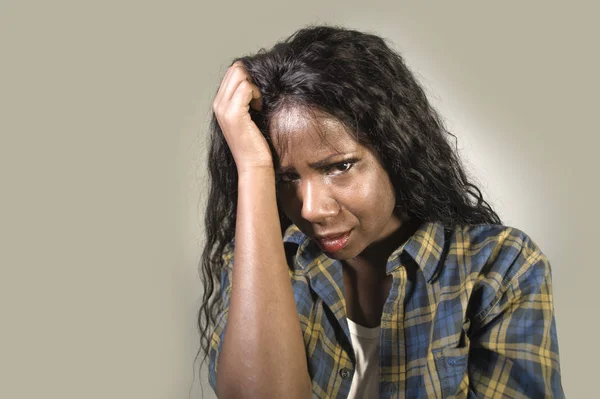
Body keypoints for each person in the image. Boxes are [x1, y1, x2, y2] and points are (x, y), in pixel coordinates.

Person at [196, 25, 564, 398]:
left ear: (396, 151)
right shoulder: (261, 266)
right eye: (285, 178)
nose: (311, 209)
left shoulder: (498, 269)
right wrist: (254, 169)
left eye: (338, 167)